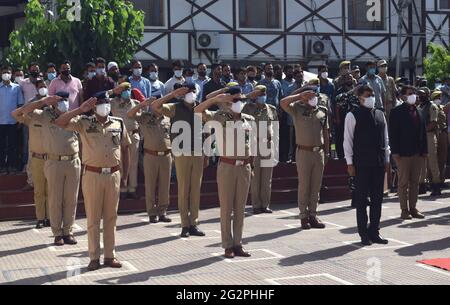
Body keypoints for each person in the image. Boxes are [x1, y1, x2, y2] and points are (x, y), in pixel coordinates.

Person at [55, 92, 131, 272]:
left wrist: (125, 174)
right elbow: (60, 122)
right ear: (94, 106)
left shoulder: (118, 123)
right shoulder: (84, 122)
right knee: (94, 218)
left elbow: (126, 148)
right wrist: (80, 109)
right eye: (100, 103)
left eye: (106, 102)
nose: (104, 105)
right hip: (92, 175)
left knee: (111, 217)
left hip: (113, 174)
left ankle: (110, 256)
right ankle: (94, 257)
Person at [195, 86, 253, 259]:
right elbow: (197, 111)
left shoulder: (248, 119)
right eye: (235, 100)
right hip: (227, 166)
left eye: (240, 99)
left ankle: (238, 243)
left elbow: (253, 144)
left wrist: (253, 166)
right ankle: (227, 245)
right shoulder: (219, 117)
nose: (238, 103)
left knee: (240, 209)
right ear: (228, 101)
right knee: (227, 208)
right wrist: (214, 100)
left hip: (244, 167)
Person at [19, 92, 81, 246]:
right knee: (55, 199)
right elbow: (24, 111)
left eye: (66, 100)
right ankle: (57, 233)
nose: (64, 103)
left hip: (73, 161)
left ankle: (68, 231)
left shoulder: (74, 116)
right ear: (53, 103)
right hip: (54, 161)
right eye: (60, 101)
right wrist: (42, 101)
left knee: (71, 199)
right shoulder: (45, 115)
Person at [152, 84, 207, 238]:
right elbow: (155, 106)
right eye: (188, 92)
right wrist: (173, 94)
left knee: (196, 189)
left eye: (193, 91)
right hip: (182, 152)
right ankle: (184, 225)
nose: (191, 94)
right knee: (184, 190)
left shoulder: (200, 108)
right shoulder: (175, 107)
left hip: (198, 152)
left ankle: (193, 223)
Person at [344, 85, 390, 246]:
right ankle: (363, 233)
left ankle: (374, 231)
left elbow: (385, 138)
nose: (371, 97)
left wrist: (386, 159)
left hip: (378, 162)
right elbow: (347, 141)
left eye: (372, 94)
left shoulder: (380, 114)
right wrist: (349, 163)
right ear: (360, 97)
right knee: (362, 200)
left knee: (378, 199)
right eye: (367, 95)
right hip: (361, 163)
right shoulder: (352, 115)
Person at [281, 88, 329, 230]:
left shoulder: (322, 111)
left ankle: (313, 214)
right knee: (304, 185)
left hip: (318, 152)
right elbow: (283, 102)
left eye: (315, 95)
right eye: (311, 95)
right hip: (303, 151)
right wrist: (300, 96)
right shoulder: (297, 108)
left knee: (316, 186)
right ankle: (303, 216)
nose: (314, 98)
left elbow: (326, 133)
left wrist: (327, 152)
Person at [12, 79, 50, 229]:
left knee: (51, 191)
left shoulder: (53, 113)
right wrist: (37, 103)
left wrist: (48, 103)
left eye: (44, 87)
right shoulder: (32, 115)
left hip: (53, 157)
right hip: (37, 158)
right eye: (40, 87)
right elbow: (16, 114)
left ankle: (50, 217)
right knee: (39, 190)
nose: (42, 89)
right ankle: (41, 218)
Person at [128, 97, 173, 223]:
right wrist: (143, 104)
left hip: (166, 155)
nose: (160, 106)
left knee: (165, 185)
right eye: (157, 104)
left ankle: (163, 211)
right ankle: (152, 213)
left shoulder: (168, 118)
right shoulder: (145, 117)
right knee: (150, 185)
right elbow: (130, 114)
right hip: (150, 156)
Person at [389, 85, 427, 220]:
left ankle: (413, 208)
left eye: (414, 93)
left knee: (415, 183)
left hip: (418, 153)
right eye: (410, 93)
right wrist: (395, 151)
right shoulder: (396, 112)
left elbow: (423, 132)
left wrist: (424, 151)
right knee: (403, 182)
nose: (414, 96)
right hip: (403, 153)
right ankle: (404, 210)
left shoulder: (420, 111)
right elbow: (393, 134)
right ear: (403, 96)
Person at [242, 85, 278, 214]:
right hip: (254, 144)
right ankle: (256, 205)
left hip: (268, 144)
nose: (262, 96)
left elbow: (275, 128)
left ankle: (265, 204)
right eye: (259, 94)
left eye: (264, 93)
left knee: (267, 177)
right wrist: (248, 96)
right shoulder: (248, 108)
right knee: (256, 177)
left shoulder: (272, 109)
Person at [109, 82, 141, 199]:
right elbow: (98, 100)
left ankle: (132, 188)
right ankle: (122, 188)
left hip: (133, 135)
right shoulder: (113, 103)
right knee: (120, 162)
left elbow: (141, 119)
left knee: (133, 162)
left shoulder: (136, 103)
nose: (126, 91)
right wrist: (113, 91)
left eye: (128, 89)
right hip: (119, 136)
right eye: (124, 89)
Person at [418, 87, 441, 196]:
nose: (420, 96)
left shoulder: (432, 106)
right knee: (421, 162)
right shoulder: (419, 107)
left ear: (427, 95)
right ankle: (421, 185)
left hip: (429, 135)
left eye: (422, 94)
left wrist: (422, 130)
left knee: (432, 161)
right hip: (421, 137)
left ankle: (436, 185)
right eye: (419, 94)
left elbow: (433, 123)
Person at [0, 66, 24, 175]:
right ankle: (2, 167)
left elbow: (20, 105)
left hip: (13, 121)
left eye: (8, 72)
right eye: (4, 72)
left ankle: (11, 165)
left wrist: (20, 120)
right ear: (1, 74)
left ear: (11, 74)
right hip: (0, 122)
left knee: (12, 145)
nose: (6, 74)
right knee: (1, 145)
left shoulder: (17, 88)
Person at [431, 90, 449, 188]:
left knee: (443, 158)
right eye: (437, 97)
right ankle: (432, 180)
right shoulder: (430, 108)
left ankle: (441, 180)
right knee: (433, 159)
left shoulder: (442, 108)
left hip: (442, 133)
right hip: (434, 133)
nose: (439, 99)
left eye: (440, 97)